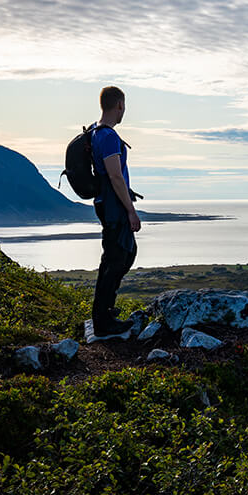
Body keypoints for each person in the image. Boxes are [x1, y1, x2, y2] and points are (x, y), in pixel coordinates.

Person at [90, 86, 141, 337]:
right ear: (119, 104)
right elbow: (115, 175)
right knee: (116, 257)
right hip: (113, 205)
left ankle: (105, 312)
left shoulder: (94, 131)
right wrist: (131, 211)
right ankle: (102, 321)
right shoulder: (108, 136)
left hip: (106, 203)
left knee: (120, 254)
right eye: (124, 105)